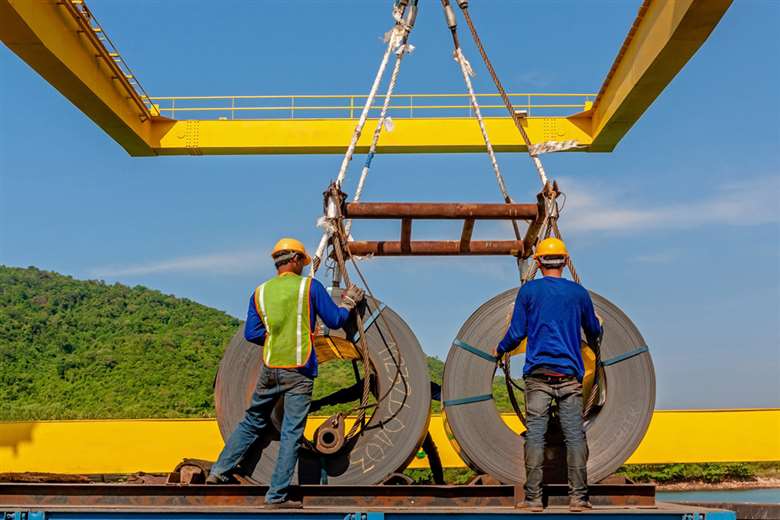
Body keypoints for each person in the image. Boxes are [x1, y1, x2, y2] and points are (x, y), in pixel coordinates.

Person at [207, 237, 365, 508]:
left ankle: (219, 471)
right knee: (292, 432)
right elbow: (336, 320)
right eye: (302, 262)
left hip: (270, 369)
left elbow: (251, 333)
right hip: (299, 371)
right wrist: (349, 303)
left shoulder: (260, 292)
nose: (304, 266)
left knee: (253, 421)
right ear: (294, 260)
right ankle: (276, 496)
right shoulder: (309, 288)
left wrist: (275, 339)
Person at [493, 237, 602, 512]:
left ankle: (533, 500)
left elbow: (517, 332)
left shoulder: (528, 292)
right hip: (569, 377)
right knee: (575, 437)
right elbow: (593, 331)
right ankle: (579, 499)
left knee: (535, 436)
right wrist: (596, 330)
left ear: (538, 262)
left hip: (538, 377)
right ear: (565, 262)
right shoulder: (579, 294)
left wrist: (500, 349)